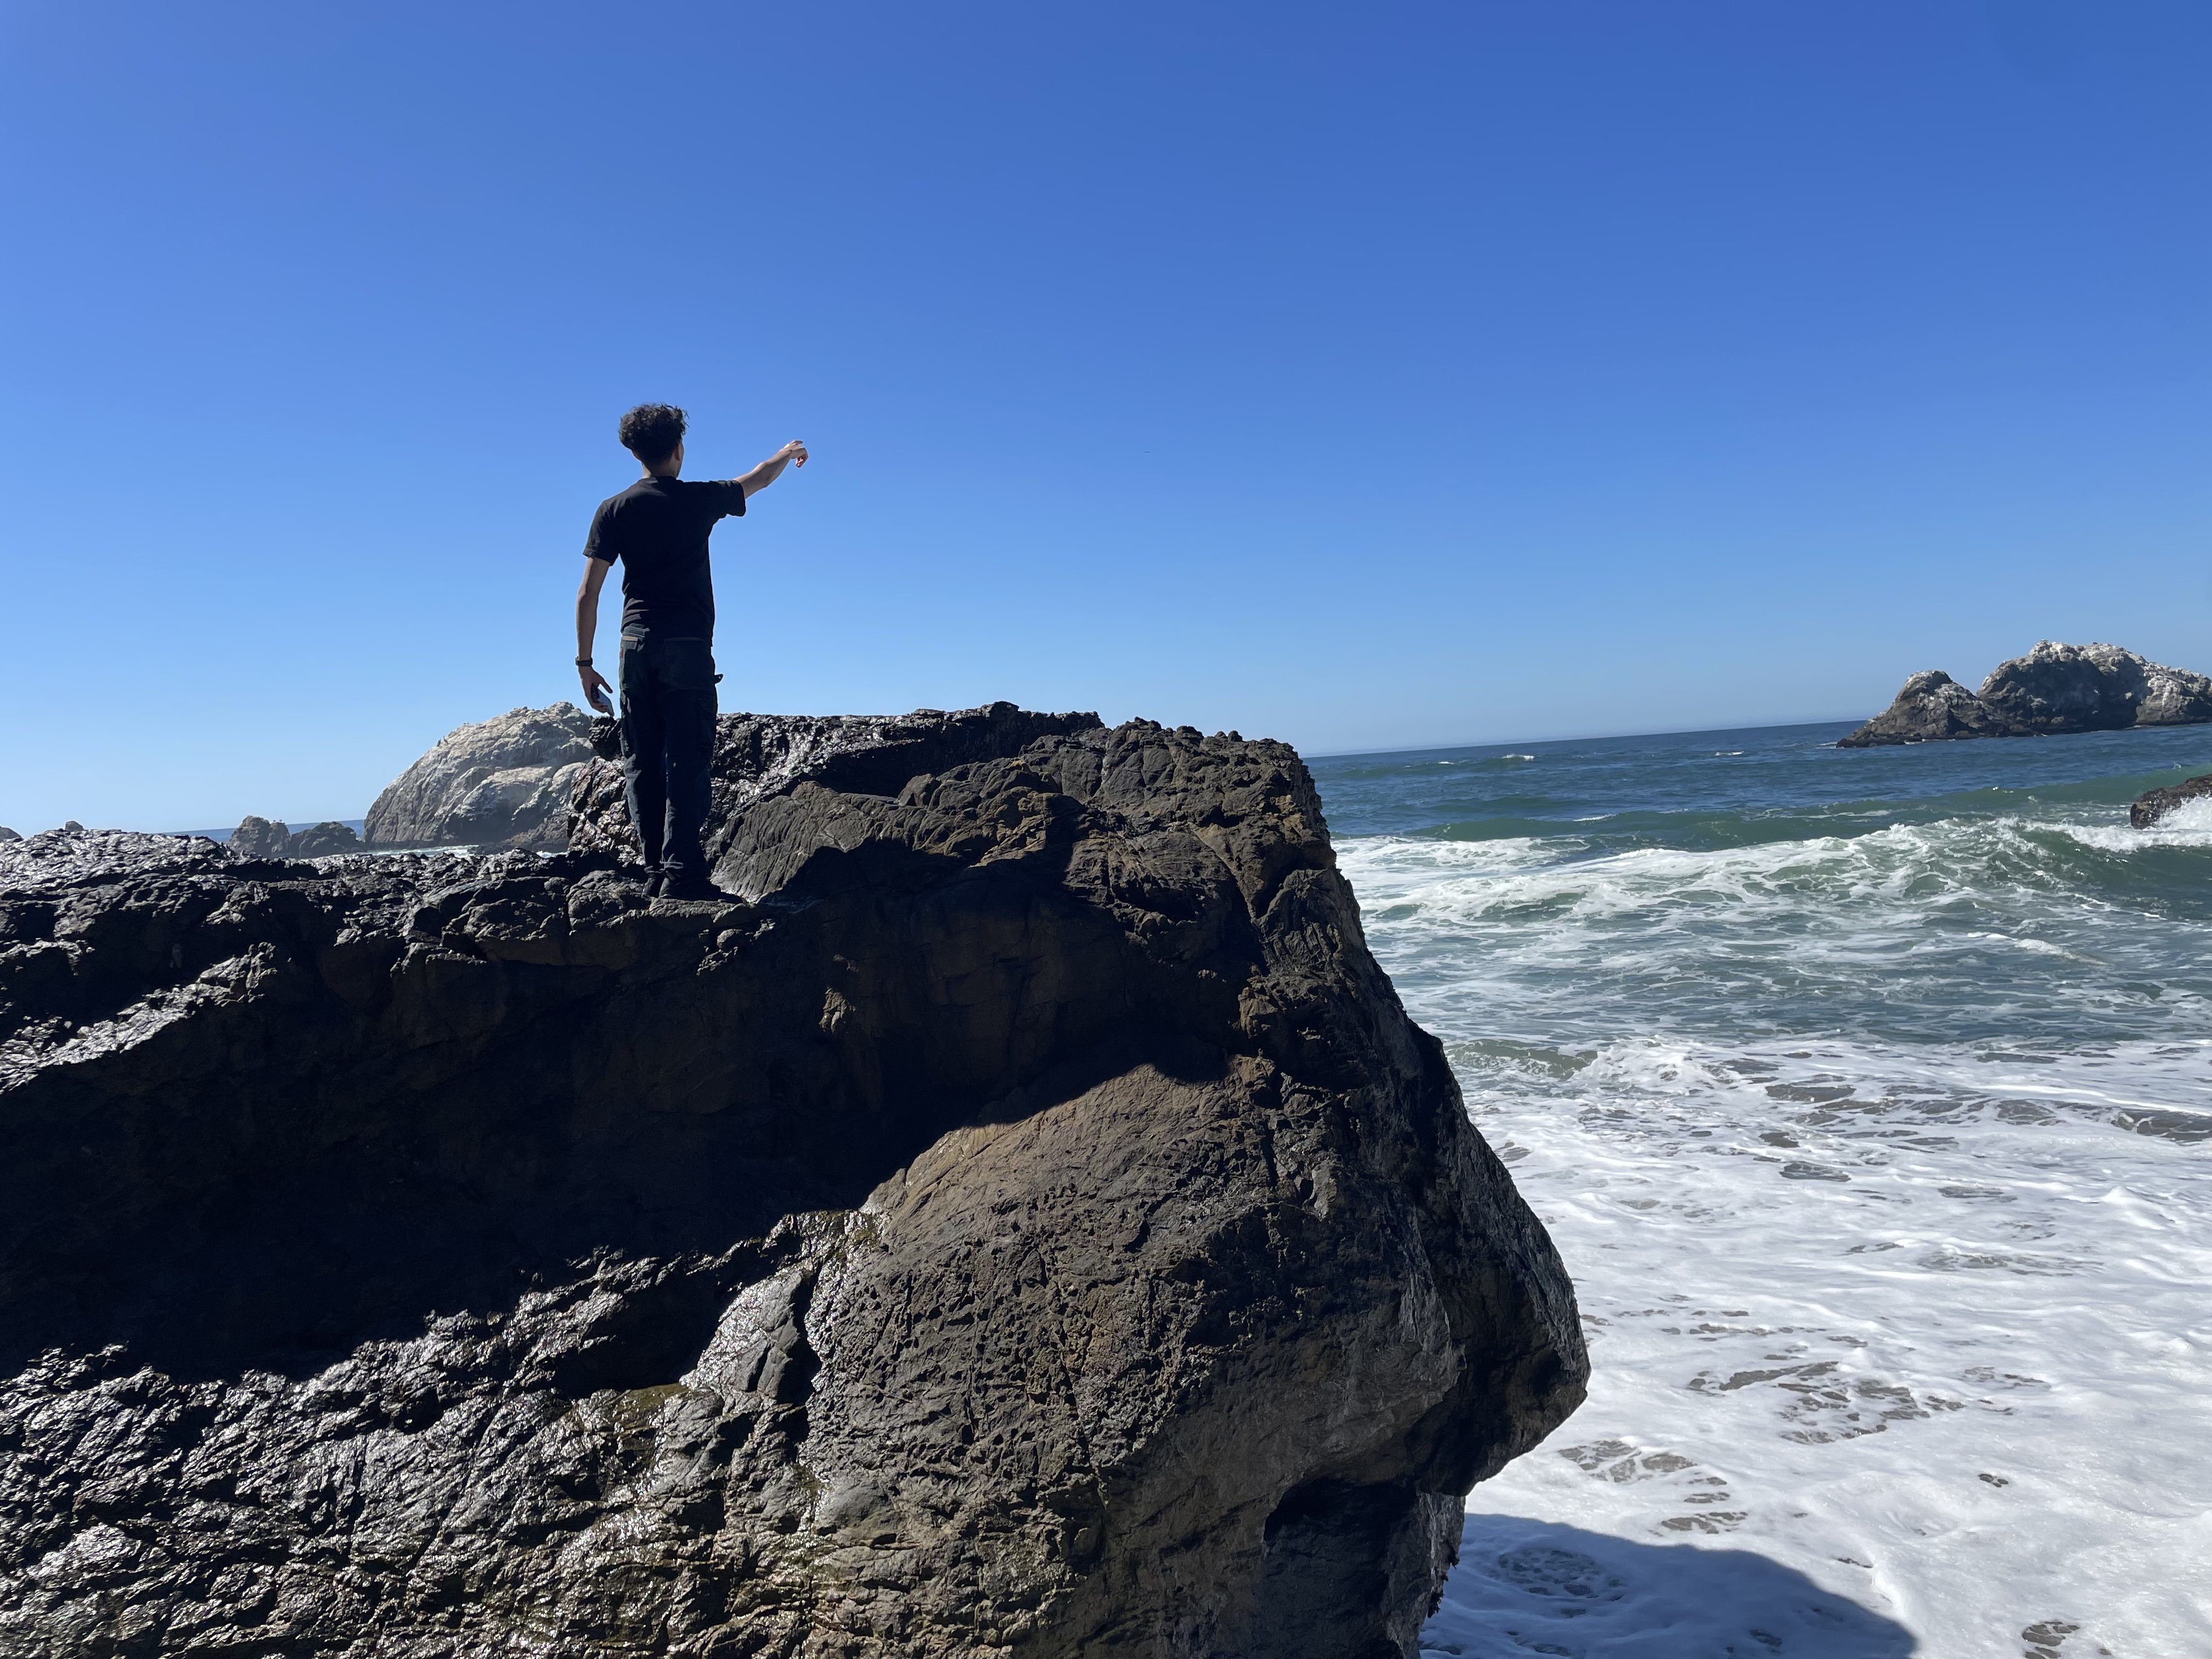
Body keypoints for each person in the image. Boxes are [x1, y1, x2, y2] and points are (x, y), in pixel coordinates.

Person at [574, 404, 807, 900]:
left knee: (641, 759)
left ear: (635, 453)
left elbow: (588, 594)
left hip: (634, 646)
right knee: (687, 757)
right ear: (678, 450)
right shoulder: (699, 500)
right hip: (687, 647)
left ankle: (655, 867)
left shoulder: (613, 509)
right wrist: (788, 452)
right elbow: (759, 479)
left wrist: (585, 665)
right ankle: (682, 873)